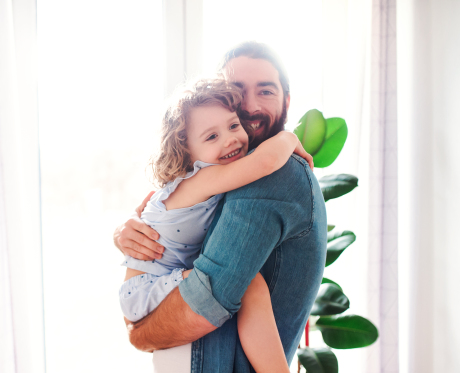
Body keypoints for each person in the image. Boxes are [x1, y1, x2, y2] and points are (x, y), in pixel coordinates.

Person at [114, 41, 327, 372]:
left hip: (163, 314)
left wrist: (139, 333)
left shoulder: (274, 174)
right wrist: (125, 228)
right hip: (153, 298)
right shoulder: (224, 175)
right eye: (238, 92)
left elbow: (204, 301)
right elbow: (150, 210)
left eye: (266, 91)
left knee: (251, 284)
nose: (251, 106)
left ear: (287, 100)